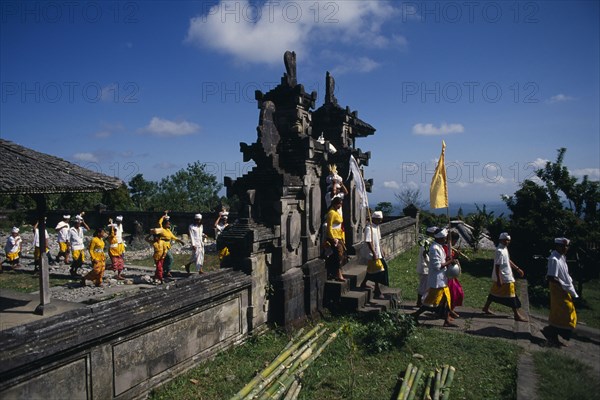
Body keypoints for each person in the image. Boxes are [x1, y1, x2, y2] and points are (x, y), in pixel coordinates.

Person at [412, 228, 458, 327]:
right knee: (429, 303)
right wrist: (449, 261)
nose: (446, 239)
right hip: (437, 280)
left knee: (446, 300)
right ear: (441, 238)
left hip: (442, 279)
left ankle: (446, 320)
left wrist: (448, 259)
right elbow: (437, 266)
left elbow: (442, 260)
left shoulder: (439, 247)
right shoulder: (434, 249)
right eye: (445, 237)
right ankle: (415, 315)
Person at [482, 232, 528, 322]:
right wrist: (499, 279)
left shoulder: (504, 249)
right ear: (501, 240)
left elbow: (508, 260)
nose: (508, 242)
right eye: (506, 240)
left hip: (506, 275)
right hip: (504, 277)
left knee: (494, 293)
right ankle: (516, 314)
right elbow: (497, 265)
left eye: (508, 240)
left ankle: (485, 307)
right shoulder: (499, 251)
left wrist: (517, 268)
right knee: (512, 295)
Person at [541, 237, 578, 347]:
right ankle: (551, 333)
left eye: (566, 246)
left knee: (564, 313)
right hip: (558, 290)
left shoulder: (561, 258)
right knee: (565, 313)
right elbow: (552, 277)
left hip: (564, 290)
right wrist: (563, 285)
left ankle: (552, 334)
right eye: (563, 246)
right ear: (557, 246)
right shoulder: (554, 259)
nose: (565, 248)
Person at [359, 211, 388, 299]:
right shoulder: (369, 228)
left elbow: (378, 240)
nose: (380, 222)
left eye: (381, 220)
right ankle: (377, 290)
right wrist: (374, 253)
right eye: (379, 220)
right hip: (372, 253)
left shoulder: (377, 227)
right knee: (378, 270)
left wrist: (381, 250)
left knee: (373, 269)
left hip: (377, 252)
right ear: (374, 219)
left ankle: (364, 283)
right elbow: (368, 241)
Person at [157, 211, 185, 279]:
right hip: (162, 246)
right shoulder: (162, 229)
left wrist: (180, 241)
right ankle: (168, 271)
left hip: (167, 246)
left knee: (165, 260)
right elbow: (159, 223)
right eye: (167, 223)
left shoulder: (168, 231)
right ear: (164, 224)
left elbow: (173, 237)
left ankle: (163, 271)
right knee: (170, 258)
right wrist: (163, 217)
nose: (169, 224)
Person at [324, 196, 347, 281]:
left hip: (339, 236)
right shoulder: (331, 213)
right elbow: (329, 226)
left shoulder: (337, 213)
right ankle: (338, 274)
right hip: (333, 237)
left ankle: (338, 272)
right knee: (338, 256)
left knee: (342, 255)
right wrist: (332, 238)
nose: (340, 206)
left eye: (340, 205)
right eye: (339, 204)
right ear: (334, 204)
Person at [444, 230, 464, 318]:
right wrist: (454, 257)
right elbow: (446, 260)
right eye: (454, 241)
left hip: (451, 274)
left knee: (458, 292)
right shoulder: (444, 248)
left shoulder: (450, 248)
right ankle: (448, 312)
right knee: (452, 293)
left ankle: (450, 310)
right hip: (446, 275)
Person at [416, 226, 437, 307]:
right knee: (423, 286)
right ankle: (419, 302)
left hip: (426, 267)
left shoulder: (429, 242)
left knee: (426, 286)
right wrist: (430, 263)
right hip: (425, 267)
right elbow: (425, 255)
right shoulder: (426, 243)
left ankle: (423, 301)